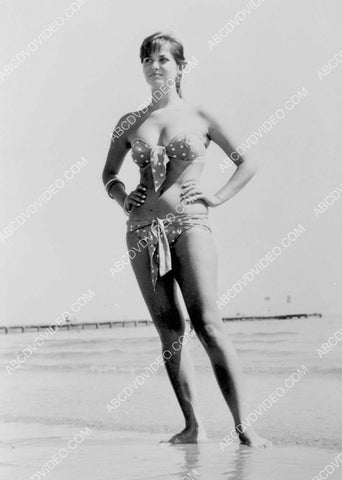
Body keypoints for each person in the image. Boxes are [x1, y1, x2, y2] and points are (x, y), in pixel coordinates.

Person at [102, 31, 271, 447]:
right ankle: (193, 425)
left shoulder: (200, 114)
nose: (154, 65)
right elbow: (108, 174)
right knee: (169, 330)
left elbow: (247, 162)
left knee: (208, 324)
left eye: (162, 59)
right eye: (146, 59)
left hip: (191, 224)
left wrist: (216, 196)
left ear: (180, 66)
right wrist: (123, 197)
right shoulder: (129, 122)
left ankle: (244, 426)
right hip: (141, 231)